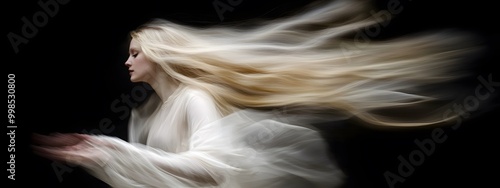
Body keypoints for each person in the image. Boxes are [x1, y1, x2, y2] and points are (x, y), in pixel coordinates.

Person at [32, 0, 484, 187]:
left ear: (158, 56)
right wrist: (101, 160)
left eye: (135, 53)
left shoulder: (194, 99)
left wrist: (113, 152)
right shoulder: (146, 117)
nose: (127, 62)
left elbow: (210, 172)